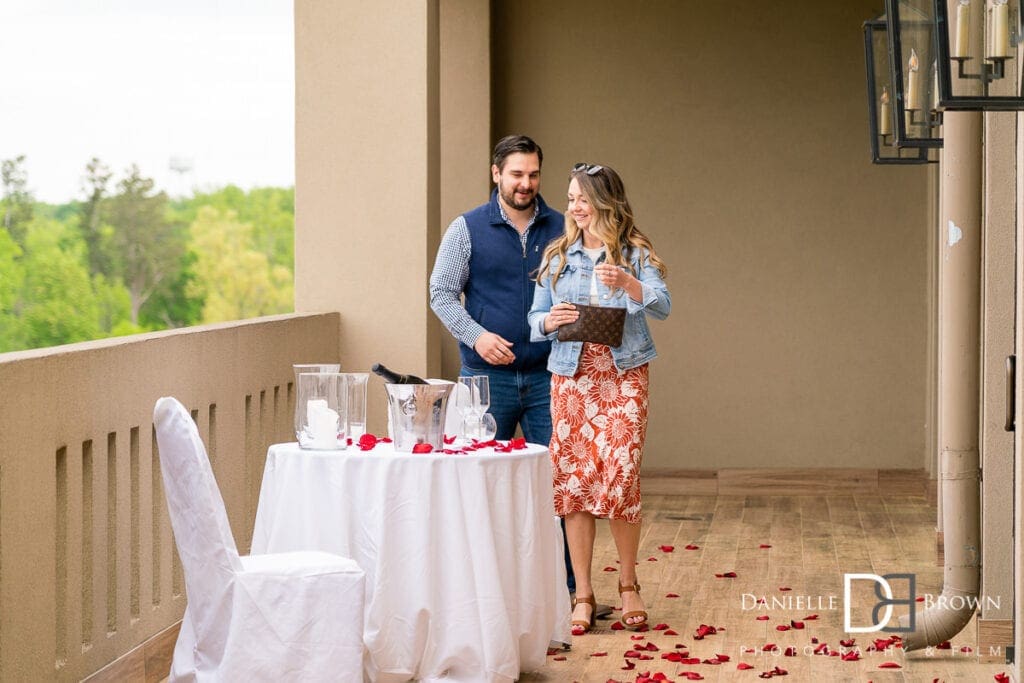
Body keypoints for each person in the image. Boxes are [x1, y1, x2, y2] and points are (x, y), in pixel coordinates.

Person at [429, 134, 582, 599]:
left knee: (559, 486)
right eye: (516, 174)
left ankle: (567, 593)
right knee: (482, 487)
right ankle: (481, 595)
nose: (526, 183)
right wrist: (476, 335)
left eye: (533, 174)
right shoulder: (466, 227)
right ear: (496, 173)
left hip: (547, 376)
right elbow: (440, 293)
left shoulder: (564, 227)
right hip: (485, 379)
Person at [527, 162, 670, 634]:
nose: (573, 208)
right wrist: (550, 321)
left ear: (605, 202)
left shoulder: (635, 253)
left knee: (622, 476)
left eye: (582, 199)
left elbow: (663, 305)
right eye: (570, 199)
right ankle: (584, 594)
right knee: (574, 484)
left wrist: (628, 283)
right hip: (571, 378)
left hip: (624, 374)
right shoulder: (558, 256)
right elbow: (535, 320)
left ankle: (629, 585)